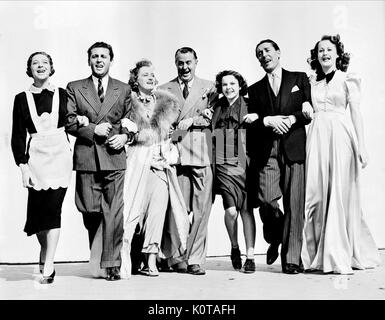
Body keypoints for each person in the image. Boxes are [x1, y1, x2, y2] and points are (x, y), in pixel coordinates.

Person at [301, 34, 380, 274]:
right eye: (320, 50)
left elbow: (355, 112)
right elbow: (304, 107)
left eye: (329, 50)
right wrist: (305, 107)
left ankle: (338, 254)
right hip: (316, 136)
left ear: (338, 55)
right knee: (315, 193)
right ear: (316, 56)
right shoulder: (311, 81)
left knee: (338, 192)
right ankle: (315, 254)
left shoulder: (349, 79)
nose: (324, 53)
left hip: (340, 136)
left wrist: (362, 146)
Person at [65, 41, 131, 281]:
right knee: (90, 210)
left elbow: (130, 120)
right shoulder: (74, 87)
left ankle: (111, 264)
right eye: (95, 56)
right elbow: (70, 121)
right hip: (87, 158)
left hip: (114, 157)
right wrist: (94, 129)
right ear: (89, 60)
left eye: (103, 56)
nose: (99, 60)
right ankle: (98, 252)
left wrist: (124, 137)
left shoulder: (123, 89)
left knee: (113, 212)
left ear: (111, 60)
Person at [118, 59, 189, 278]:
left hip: (160, 165)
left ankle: (151, 260)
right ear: (135, 79)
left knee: (157, 213)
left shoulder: (166, 103)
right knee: (132, 213)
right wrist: (137, 135)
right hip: (137, 163)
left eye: (152, 74)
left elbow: (176, 132)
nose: (150, 77)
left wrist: (176, 135)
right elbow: (122, 129)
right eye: (145, 74)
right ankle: (126, 258)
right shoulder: (126, 101)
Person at [247, 39, 311, 274]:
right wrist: (267, 120)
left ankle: (292, 259)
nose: (263, 55)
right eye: (259, 54)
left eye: (267, 51)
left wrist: (292, 119)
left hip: (293, 146)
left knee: (294, 203)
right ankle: (276, 236)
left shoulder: (299, 78)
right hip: (267, 150)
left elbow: (308, 110)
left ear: (278, 53)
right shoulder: (254, 90)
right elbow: (251, 123)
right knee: (266, 200)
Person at [11, 52, 72, 284]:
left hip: (60, 159)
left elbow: (74, 120)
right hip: (36, 161)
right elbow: (18, 135)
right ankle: (45, 253)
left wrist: (85, 121)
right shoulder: (21, 98)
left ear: (51, 67)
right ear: (30, 69)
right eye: (35, 63)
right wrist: (23, 167)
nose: (40, 66)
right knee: (38, 217)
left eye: (44, 63)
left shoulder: (63, 95)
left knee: (53, 210)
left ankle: (49, 264)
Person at [159, 47, 218, 275]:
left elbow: (214, 118)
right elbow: (163, 123)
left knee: (202, 209)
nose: (185, 67)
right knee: (176, 208)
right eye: (180, 63)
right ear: (175, 63)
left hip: (202, 153)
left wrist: (192, 120)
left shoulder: (210, 87)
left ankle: (195, 259)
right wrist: (179, 130)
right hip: (176, 155)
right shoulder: (164, 89)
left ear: (196, 62)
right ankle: (175, 257)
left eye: (188, 62)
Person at [211, 70, 258, 273]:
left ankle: (250, 256)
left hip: (245, 160)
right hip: (222, 157)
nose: (228, 88)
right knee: (231, 211)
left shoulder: (251, 104)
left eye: (232, 84)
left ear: (240, 85)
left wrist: (257, 117)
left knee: (246, 210)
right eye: (224, 85)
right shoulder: (216, 106)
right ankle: (234, 246)